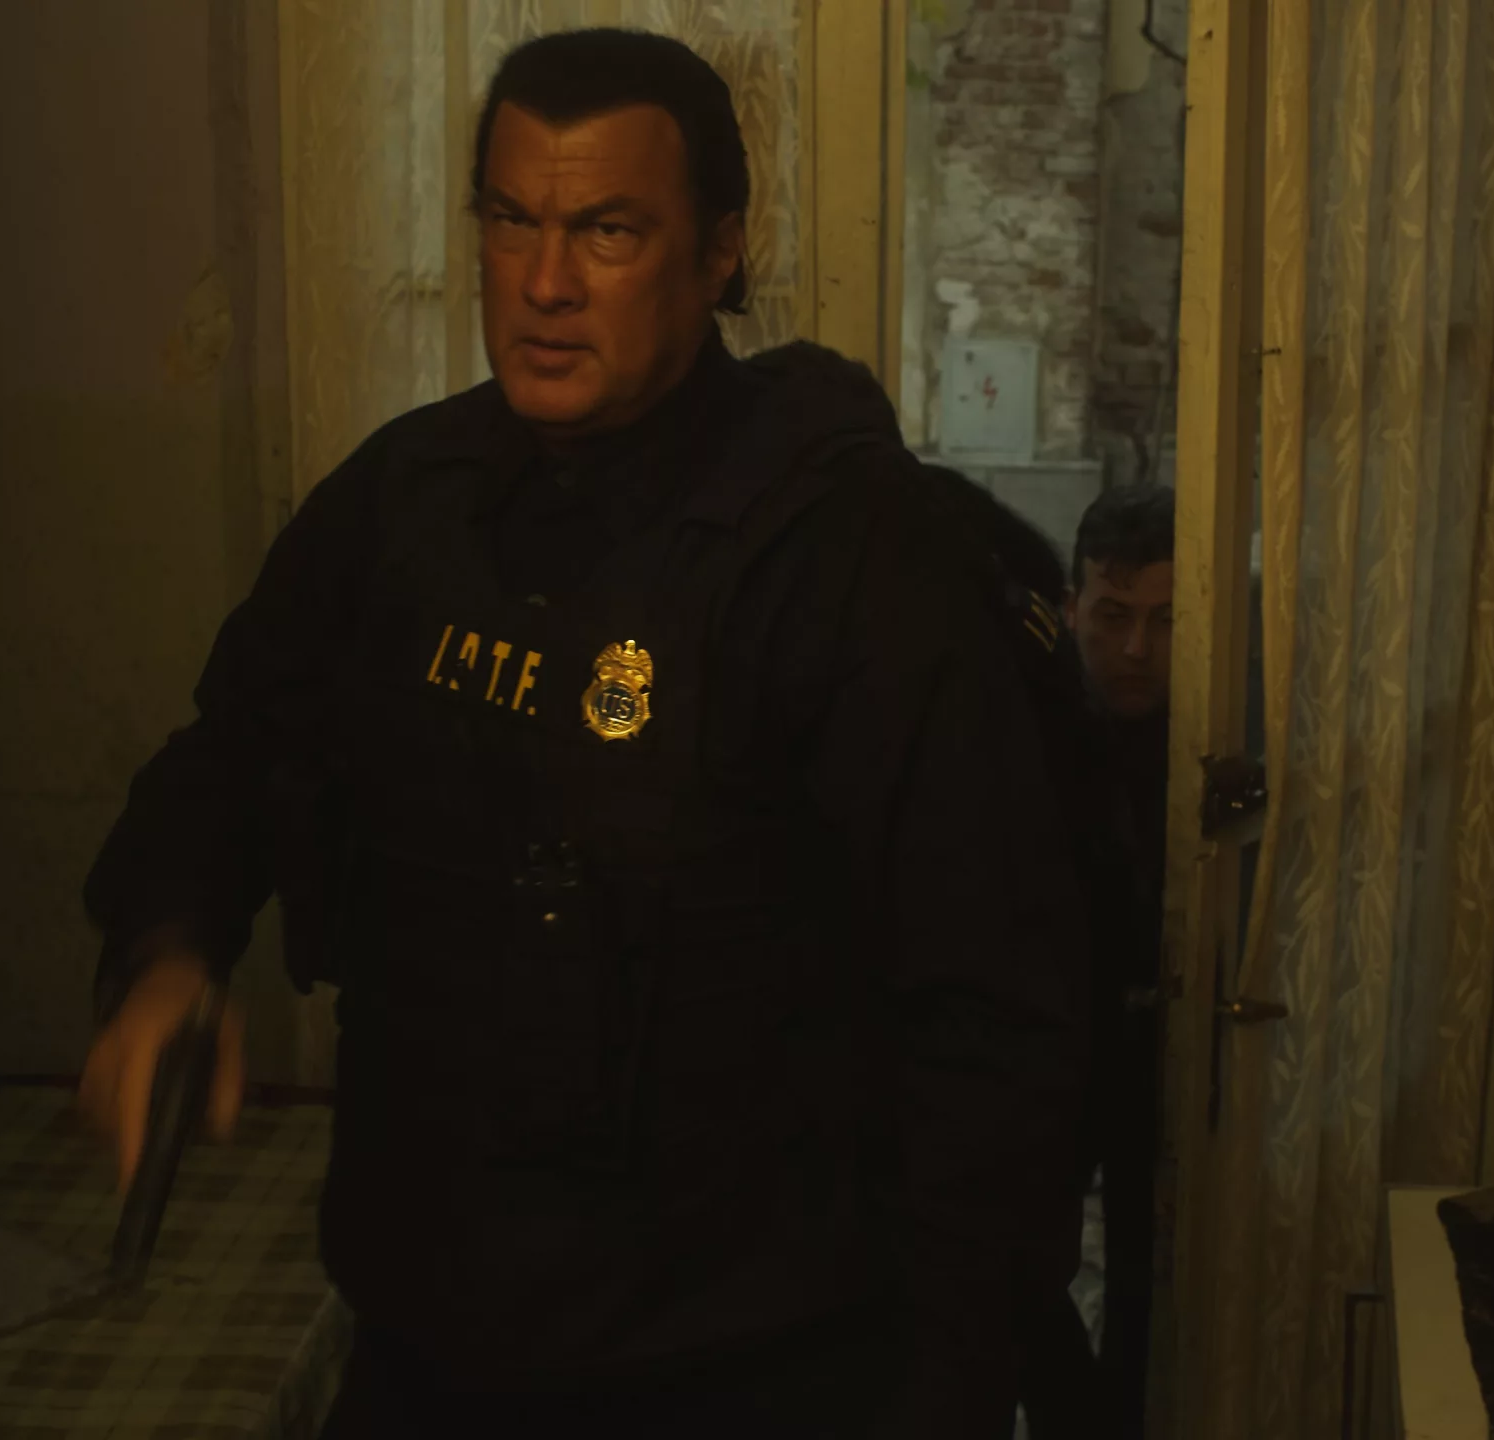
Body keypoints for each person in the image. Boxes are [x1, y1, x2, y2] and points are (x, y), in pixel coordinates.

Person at [73, 28, 1086, 1439]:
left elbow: (992, 1022)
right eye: (511, 222)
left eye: (607, 231)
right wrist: (170, 950)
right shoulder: (402, 506)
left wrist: (949, 1390)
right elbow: (229, 755)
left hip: (754, 1370)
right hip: (434, 1341)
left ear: (719, 252)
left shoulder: (853, 563)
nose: (544, 284)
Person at [1052, 484, 1176, 1438]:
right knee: (1021, 1269)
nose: (1137, 648)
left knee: (1149, 1267)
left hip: (1165, 1042)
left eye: (1167, 621)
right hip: (1046, 1044)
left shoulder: (1216, 727)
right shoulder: (1026, 727)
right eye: (1114, 616)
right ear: (1072, 610)